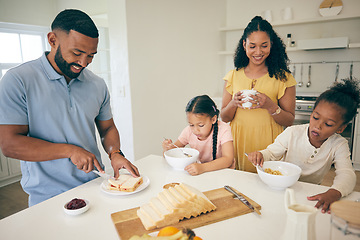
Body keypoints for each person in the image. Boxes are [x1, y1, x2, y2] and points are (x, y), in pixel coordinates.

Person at [0, 9, 139, 206]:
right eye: (77, 52)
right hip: (46, 198)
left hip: (95, 187)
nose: (84, 63)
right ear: (52, 39)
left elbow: (107, 128)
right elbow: (9, 144)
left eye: (91, 55)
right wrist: (69, 150)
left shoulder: (97, 84)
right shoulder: (17, 81)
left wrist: (115, 153)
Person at [247, 78, 359, 213]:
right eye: (315, 118)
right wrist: (261, 155)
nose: (318, 126)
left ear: (341, 128)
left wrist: (336, 191)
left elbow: (347, 173)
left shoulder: (339, 144)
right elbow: (271, 153)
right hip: (283, 187)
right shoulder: (292, 132)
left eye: (328, 124)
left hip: (310, 191)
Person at [220, 16, 296, 173]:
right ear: (244, 45)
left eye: (264, 46)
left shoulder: (284, 78)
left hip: (269, 143)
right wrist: (233, 103)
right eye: (252, 46)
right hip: (237, 141)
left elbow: (289, 121)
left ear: (271, 45)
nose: (258, 52)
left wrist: (270, 106)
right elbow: (224, 117)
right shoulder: (233, 76)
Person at [162, 95, 234, 175]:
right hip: (201, 174)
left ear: (213, 119)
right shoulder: (188, 131)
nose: (195, 130)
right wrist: (167, 150)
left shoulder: (224, 129)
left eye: (201, 125)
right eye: (191, 125)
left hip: (223, 174)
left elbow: (228, 159)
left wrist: (202, 167)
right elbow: (173, 152)